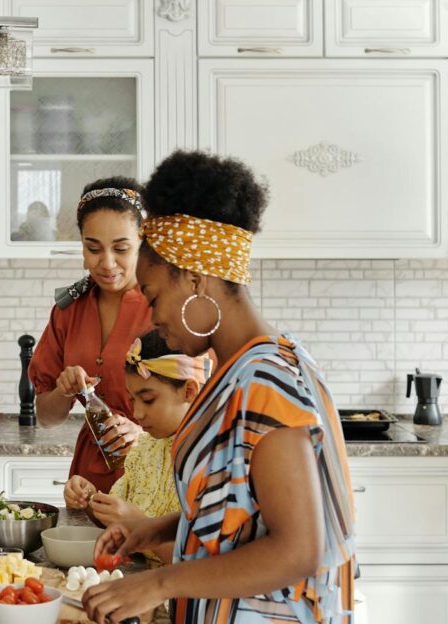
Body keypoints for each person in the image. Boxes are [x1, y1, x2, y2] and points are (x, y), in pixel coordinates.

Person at [84, 151, 356, 624]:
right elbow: (244, 511)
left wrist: (159, 582)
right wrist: (155, 530)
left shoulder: (265, 382)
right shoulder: (246, 368)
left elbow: (298, 549)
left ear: (195, 280)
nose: (152, 317)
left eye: (152, 295)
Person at [28, 177, 153, 497]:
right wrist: (63, 390)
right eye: (93, 248)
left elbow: (201, 411)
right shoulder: (68, 311)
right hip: (88, 482)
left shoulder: (163, 309)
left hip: (156, 477)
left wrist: (142, 435)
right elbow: (46, 417)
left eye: (121, 249)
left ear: (143, 241)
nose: (107, 263)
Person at [64, 331, 209, 565]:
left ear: (189, 391)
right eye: (132, 400)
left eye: (148, 399)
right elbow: (118, 517)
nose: (137, 413)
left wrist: (139, 526)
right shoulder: (144, 448)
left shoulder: (210, 458)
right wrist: (89, 498)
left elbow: (203, 564)